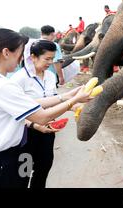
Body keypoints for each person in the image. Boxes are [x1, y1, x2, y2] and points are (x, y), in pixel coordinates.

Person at [0, 28, 92, 187]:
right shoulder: (2, 86)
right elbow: (42, 116)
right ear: (6, 53)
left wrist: (67, 96)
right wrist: (75, 100)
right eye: (20, 53)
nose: (21, 59)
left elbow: (29, 103)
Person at [11, 40, 77, 188]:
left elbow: (52, 101)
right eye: (46, 59)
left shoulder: (50, 76)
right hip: (26, 132)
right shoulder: (19, 78)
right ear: (33, 57)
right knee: (24, 172)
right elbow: (14, 112)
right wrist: (35, 124)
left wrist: (71, 106)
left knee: (44, 167)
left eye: (52, 59)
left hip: (47, 129)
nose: (50, 62)